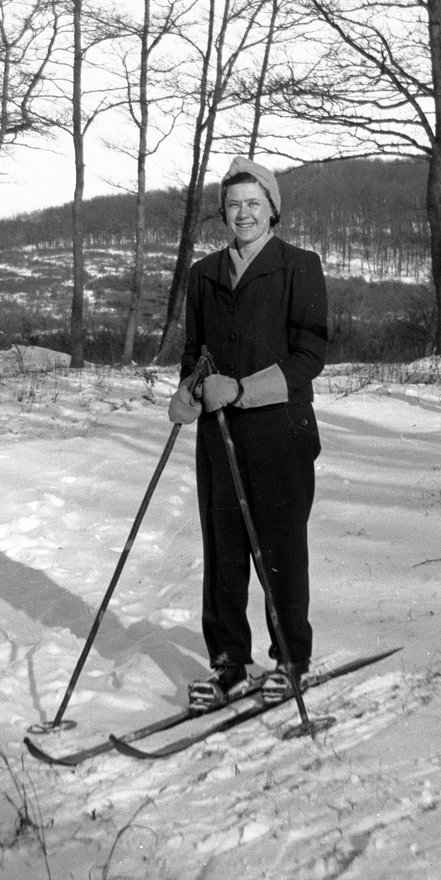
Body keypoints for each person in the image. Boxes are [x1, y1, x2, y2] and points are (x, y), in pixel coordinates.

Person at [168, 157, 329, 708]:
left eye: (253, 204)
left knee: (279, 548)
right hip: (219, 439)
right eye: (234, 204)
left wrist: (239, 390)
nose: (243, 213)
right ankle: (229, 664)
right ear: (223, 212)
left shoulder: (298, 267)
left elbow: (310, 356)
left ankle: (291, 660)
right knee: (224, 553)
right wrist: (190, 388)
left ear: (273, 211)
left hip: (280, 432)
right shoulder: (203, 275)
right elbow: (196, 352)